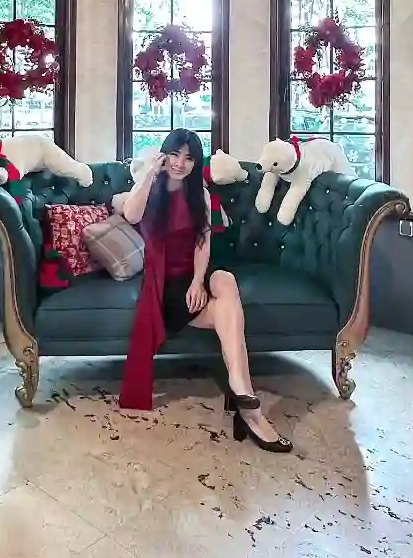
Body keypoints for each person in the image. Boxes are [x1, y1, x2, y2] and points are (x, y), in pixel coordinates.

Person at [118, 128, 291, 453]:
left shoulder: (199, 191)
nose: (180, 164)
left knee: (224, 279)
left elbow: (203, 241)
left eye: (189, 158)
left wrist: (198, 281)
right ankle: (247, 407)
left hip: (194, 272)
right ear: (164, 154)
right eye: (175, 155)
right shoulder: (151, 187)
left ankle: (241, 389)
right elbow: (131, 214)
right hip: (164, 282)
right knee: (226, 311)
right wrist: (150, 173)